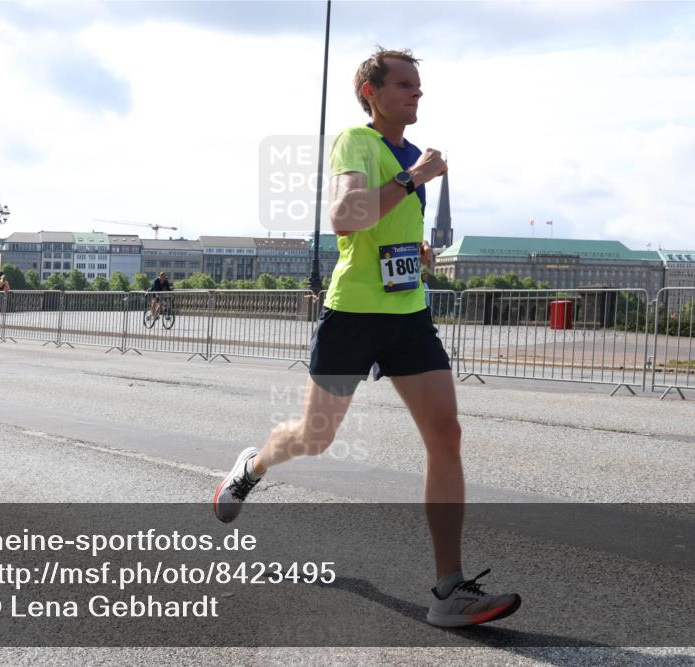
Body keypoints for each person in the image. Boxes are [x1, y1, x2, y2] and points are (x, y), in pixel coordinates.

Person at [212, 48, 520, 628]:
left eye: (419, 86)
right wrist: (413, 177)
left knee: (447, 435)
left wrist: (414, 250)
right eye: (404, 84)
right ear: (370, 93)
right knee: (314, 437)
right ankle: (252, 467)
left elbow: (383, 228)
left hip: (407, 315)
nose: (416, 93)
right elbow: (346, 216)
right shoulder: (357, 142)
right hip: (353, 313)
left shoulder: (408, 153)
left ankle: (449, 591)